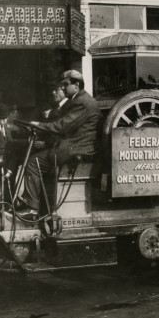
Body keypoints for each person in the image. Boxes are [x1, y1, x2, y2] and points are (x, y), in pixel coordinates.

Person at [15, 70, 100, 215]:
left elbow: (63, 126)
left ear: (77, 85)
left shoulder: (82, 102)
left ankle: (32, 207)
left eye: (66, 84)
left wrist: (38, 125)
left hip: (77, 147)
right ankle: (41, 206)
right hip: (74, 145)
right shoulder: (77, 100)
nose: (62, 88)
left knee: (33, 163)